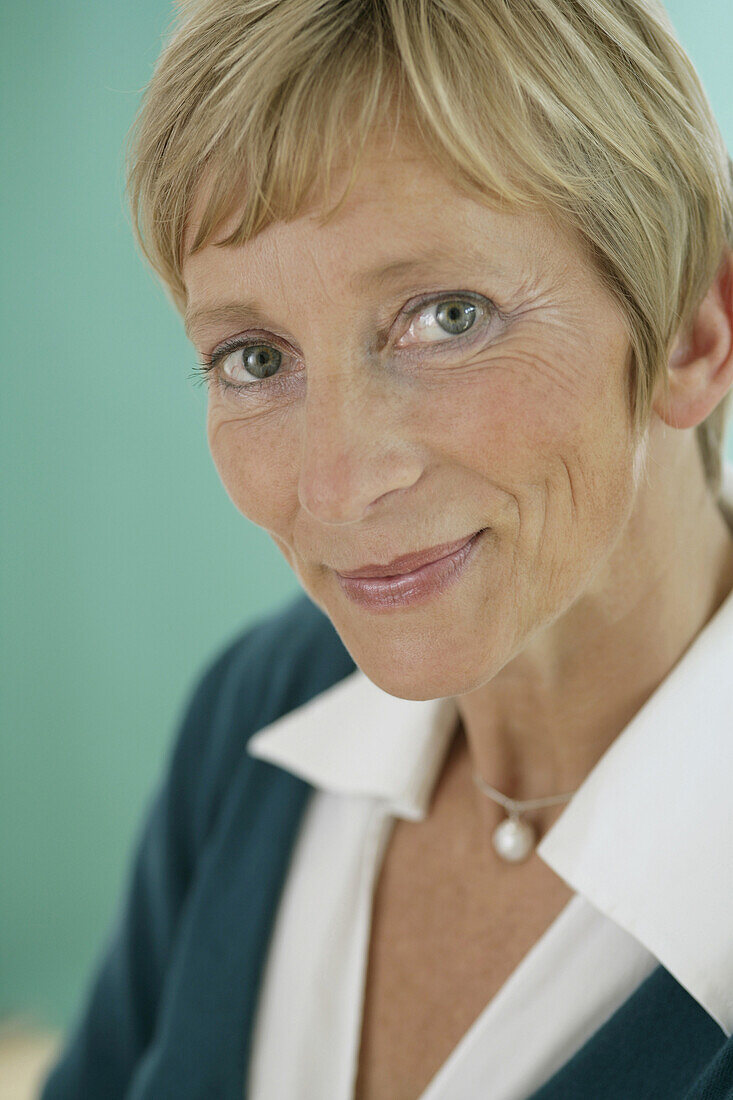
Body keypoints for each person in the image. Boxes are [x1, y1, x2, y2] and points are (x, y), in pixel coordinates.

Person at [40, 0, 733, 1096]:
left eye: (449, 315)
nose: (336, 485)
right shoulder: (261, 707)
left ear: (696, 330)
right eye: (256, 358)